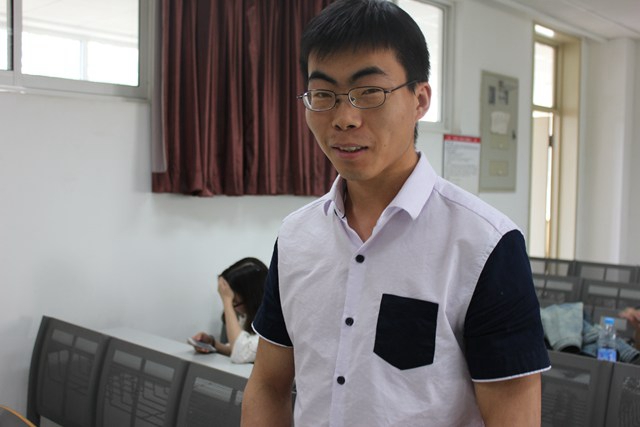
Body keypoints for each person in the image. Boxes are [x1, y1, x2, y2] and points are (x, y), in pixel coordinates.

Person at [241, 0, 551, 425]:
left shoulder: (485, 246)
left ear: (420, 100)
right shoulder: (297, 236)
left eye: (369, 92)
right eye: (323, 95)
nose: (344, 118)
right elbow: (268, 385)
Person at [190, 257, 267, 364]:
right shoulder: (249, 316)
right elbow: (242, 350)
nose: (233, 308)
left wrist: (227, 301)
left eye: (234, 302)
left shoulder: (275, 322)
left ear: (251, 299)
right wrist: (213, 344)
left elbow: (240, 353)